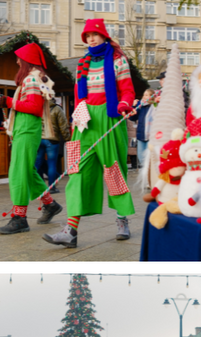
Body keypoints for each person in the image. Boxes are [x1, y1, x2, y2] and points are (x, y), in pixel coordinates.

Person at [44, 19, 136, 248]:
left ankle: (122, 219)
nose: (91, 39)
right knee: (77, 172)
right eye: (87, 36)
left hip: (109, 116)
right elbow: (78, 94)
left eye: (94, 34)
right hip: (84, 121)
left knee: (114, 171)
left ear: (104, 35)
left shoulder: (118, 60)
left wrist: (124, 105)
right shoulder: (82, 62)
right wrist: (77, 117)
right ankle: (70, 230)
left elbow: (127, 90)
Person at [0, 43, 63, 234]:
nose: (17, 62)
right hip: (25, 130)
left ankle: (20, 218)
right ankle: (50, 205)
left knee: (18, 172)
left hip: (26, 130)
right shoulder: (35, 78)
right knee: (28, 171)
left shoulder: (31, 79)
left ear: (27, 61)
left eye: (19, 59)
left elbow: (34, 107)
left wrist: (9, 102)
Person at [37, 97, 70, 195]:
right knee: (52, 165)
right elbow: (63, 126)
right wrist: (67, 138)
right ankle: (52, 188)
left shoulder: (39, 107)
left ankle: (40, 187)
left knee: (38, 163)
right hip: (53, 140)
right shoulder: (57, 109)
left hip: (39, 139)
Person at [130, 89, 156, 167]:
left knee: (151, 158)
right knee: (141, 158)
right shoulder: (140, 106)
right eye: (144, 95)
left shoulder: (154, 106)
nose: (144, 97)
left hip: (151, 136)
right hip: (141, 136)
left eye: (146, 95)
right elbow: (132, 118)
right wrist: (133, 106)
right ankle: (145, 173)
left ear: (152, 96)